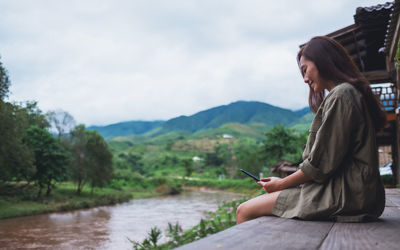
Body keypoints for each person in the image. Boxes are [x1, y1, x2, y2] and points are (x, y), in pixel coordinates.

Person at [236, 36, 387, 224]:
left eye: (305, 70)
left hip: (346, 195)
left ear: (323, 62)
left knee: (244, 211)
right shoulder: (347, 93)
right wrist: (281, 184)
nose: (305, 79)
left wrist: (281, 184)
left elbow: (319, 166)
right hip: (355, 193)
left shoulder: (341, 95)